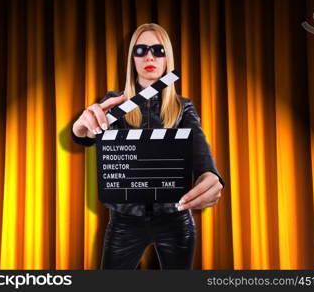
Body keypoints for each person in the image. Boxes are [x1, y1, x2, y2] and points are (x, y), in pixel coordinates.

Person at [72, 23, 224, 269]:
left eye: (158, 50)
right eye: (141, 50)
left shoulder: (183, 108)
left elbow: (200, 151)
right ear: (132, 58)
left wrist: (211, 176)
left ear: (168, 59)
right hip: (124, 221)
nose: (150, 56)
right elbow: (85, 135)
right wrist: (80, 127)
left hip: (176, 220)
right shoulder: (113, 104)